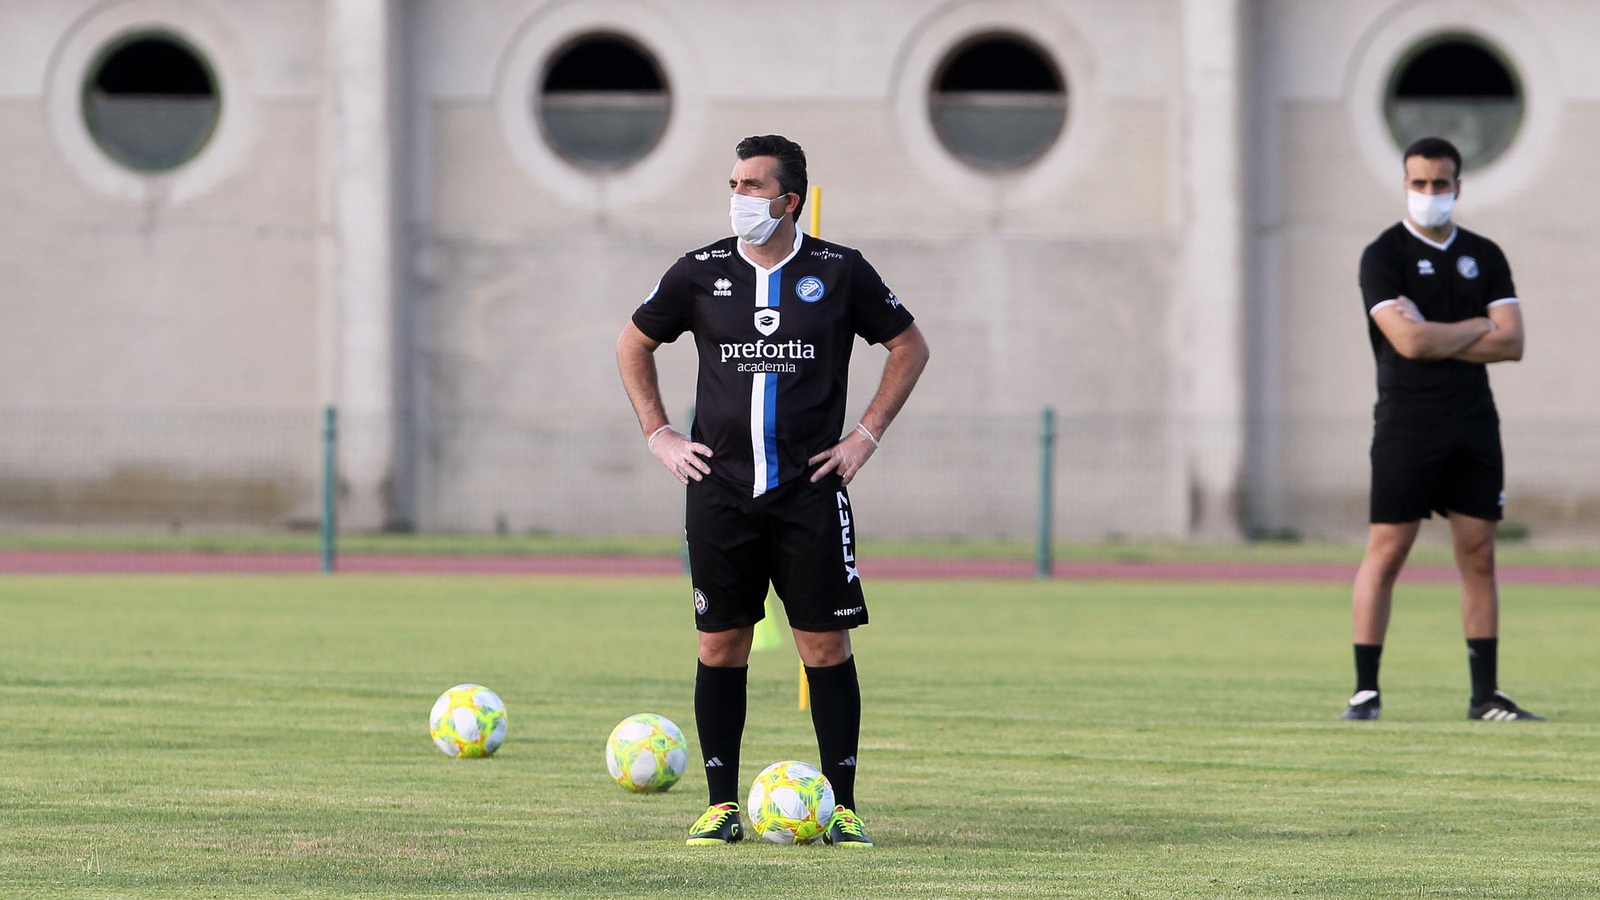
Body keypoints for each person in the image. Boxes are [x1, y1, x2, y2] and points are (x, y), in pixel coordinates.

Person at [616, 134, 931, 844]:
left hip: (810, 492)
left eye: (753, 186)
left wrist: (867, 434)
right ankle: (720, 805)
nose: (738, 198)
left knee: (823, 648)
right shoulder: (698, 272)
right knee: (719, 646)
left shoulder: (841, 272)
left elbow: (909, 346)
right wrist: (659, 433)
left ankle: (842, 808)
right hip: (719, 491)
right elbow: (633, 343)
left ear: (790, 200)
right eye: (733, 183)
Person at [1344, 136, 1541, 722]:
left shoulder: (1485, 253)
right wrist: (1476, 325)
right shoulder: (1383, 255)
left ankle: (1485, 697)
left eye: (1441, 184)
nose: (1430, 194)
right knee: (1389, 550)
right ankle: (1365, 691)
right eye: (1419, 183)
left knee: (1479, 553)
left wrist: (1445, 332)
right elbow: (1407, 341)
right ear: (1405, 184)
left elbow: (1513, 342)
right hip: (1407, 421)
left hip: (1474, 423)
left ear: (1458, 186)